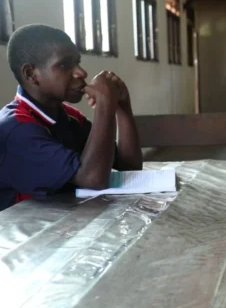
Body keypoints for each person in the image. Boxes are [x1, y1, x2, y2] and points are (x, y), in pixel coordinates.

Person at [0, 24, 142, 211]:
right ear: (31, 74)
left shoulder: (68, 117)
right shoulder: (16, 129)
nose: (81, 73)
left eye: (77, 62)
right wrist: (105, 105)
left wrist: (122, 106)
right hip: (19, 237)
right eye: (64, 64)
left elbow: (129, 165)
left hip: (61, 224)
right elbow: (92, 179)